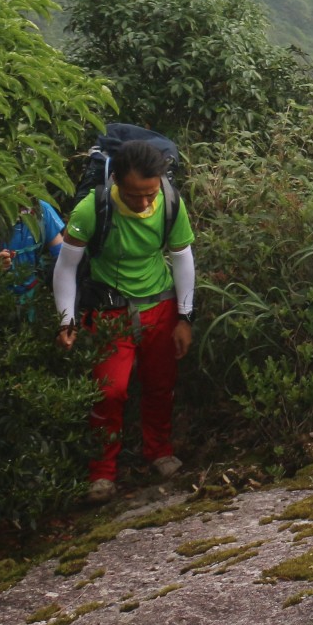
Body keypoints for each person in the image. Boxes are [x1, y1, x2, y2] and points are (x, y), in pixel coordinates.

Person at [51, 138, 196, 501]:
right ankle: (102, 473)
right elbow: (65, 267)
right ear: (115, 181)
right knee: (109, 392)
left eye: (150, 194)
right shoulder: (92, 209)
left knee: (161, 384)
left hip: (159, 307)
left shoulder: (170, 202)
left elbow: (182, 258)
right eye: (135, 195)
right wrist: (66, 319)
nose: (145, 203)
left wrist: (184, 317)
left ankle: (159, 452)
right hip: (109, 312)